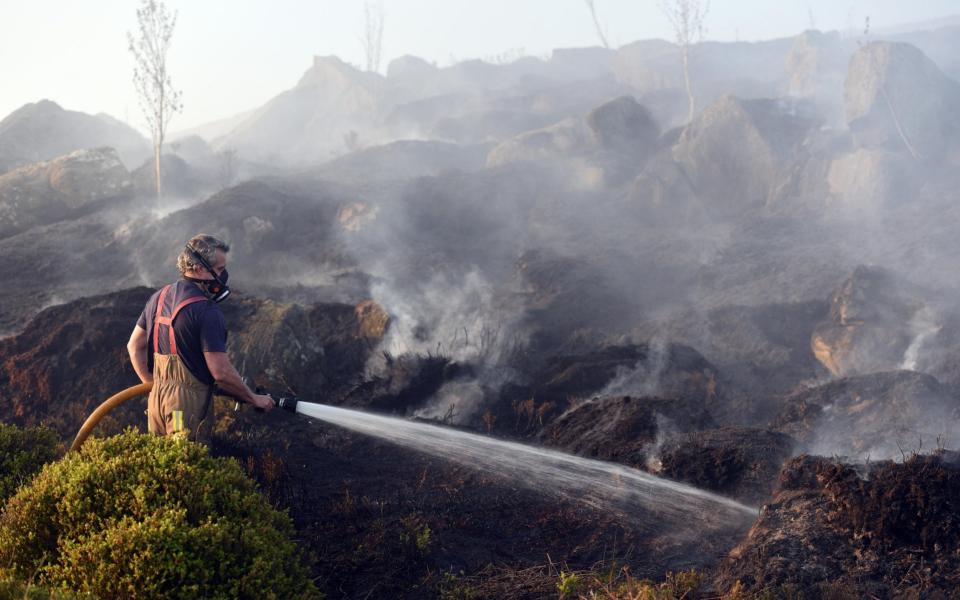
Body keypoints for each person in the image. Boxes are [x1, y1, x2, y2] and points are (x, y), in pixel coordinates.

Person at [126, 234, 273, 443]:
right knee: (184, 467)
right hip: (182, 412)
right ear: (199, 268)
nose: (223, 277)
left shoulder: (158, 297)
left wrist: (154, 387)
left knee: (162, 466)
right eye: (220, 270)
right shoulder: (206, 311)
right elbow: (220, 373)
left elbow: (134, 346)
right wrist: (254, 398)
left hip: (156, 404)